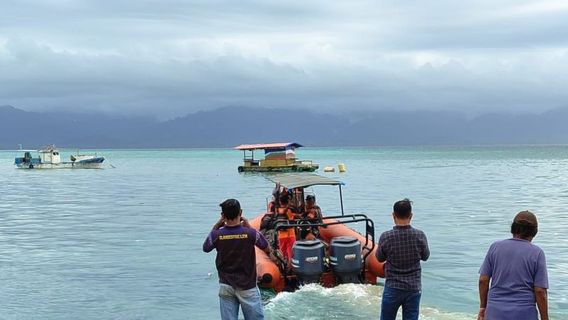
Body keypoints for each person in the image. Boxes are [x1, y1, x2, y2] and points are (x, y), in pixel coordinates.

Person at [203, 199, 273, 320]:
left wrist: (217, 226)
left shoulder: (217, 235)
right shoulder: (250, 233)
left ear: (223, 215)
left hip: (226, 286)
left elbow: (206, 248)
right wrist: (249, 227)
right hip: (248, 286)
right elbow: (266, 248)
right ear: (240, 212)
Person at [478, 210, 549, 320]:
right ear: (535, 231)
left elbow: (483, 280)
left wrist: (483, 307)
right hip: (524, 313)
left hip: (494, 312)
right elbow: (540, 291)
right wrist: (545, 318)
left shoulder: (495, 247)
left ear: (513, 228)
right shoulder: (537, 253)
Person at [376, 198, 430, 320]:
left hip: (393, 286)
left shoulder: (386, 236)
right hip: (413, 287)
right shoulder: (419, 235)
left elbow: (379, 258)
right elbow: (426, 256)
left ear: (393, 215)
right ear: (411, 215)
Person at [275, 193, 298, 264]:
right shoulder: (288, 210)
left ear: (280, 201)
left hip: (281, 235)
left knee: (283, 254)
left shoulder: (277, 210)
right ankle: (290, 268)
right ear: (288, 201)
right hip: (290, 235)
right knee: (291, 254)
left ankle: (283, 268)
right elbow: (291, 220)